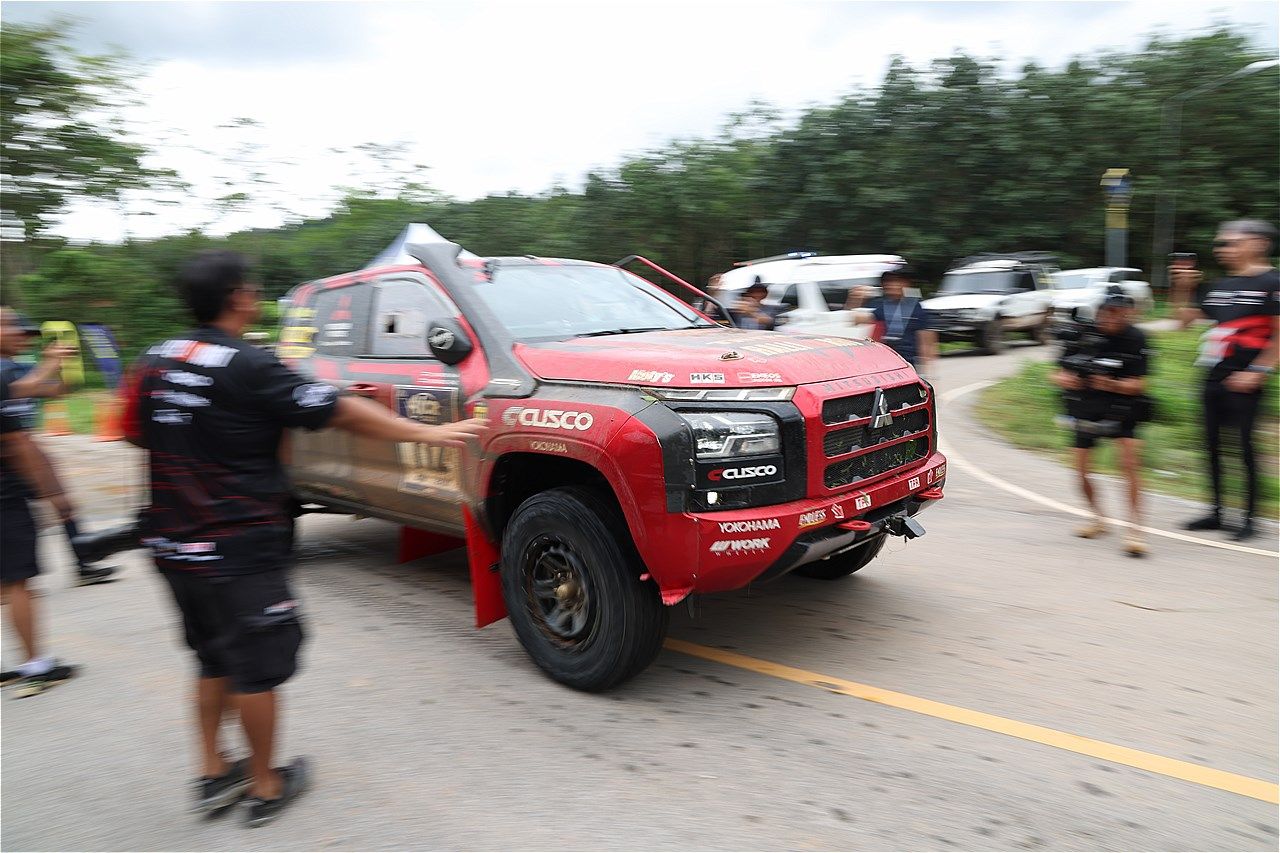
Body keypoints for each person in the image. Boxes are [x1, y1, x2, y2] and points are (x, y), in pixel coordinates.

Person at [122, 251, 489, 826]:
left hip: (172, 543)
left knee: (211, 658)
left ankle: (213, 771)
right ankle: (266, 785)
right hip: (237, 546)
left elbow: (133, 435)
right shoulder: (250, 365)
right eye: (250, 287)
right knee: (255, 669)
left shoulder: (153, 362)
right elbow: (339, 410)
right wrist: (431, 433)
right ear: (238, 297)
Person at [1171, 219, 1279, 541]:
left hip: (1247, 379)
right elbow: (1183, 322)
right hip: (1212, 376)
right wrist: (1183, 287)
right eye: (1220, 244)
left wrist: (1258, 372)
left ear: (1258, 243)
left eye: (1230, 242)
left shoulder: (1273, 282)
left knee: (1245, 448)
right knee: (1212, 445)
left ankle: (1249, 519)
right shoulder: (1221, 285)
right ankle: (1216, 512)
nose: (1221, 249)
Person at [0, 307, 117, 585]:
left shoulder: (20, 367)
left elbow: (57, 390)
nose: (24, 338)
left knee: (63, 505)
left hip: (23, 451)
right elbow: (16, 390)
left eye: (29, 334)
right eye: (17, 331)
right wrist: (47, 366)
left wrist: (68, 367)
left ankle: (84, 562)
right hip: (7, 455)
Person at [0, 320, 80, 698]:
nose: (20, 334)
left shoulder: (12, 370)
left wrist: (54, 366)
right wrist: (51, 491)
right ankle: (35, 666)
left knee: (5, 583)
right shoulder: (3, 373)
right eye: (10, 326)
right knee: (19, 582)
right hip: (4, 493)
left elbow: (52, 390)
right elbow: (16, 442)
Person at [1051, 289, 1152, 557]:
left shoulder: (1136, 338)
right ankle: (1098, 518)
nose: (1111, 317)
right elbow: (1058, 373)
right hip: (1085, 406)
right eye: (1106, 311)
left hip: (1122, 409)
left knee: (1129, 466)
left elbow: (1140, 384)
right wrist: (1066, 379)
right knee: (1081, 472)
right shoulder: (1081, 333)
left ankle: (1135, 530)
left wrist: (1111, 384)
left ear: (1129, 312)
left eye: (1118, 312)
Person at [847, 265, 938, 376]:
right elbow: (856, 320)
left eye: (896, 282)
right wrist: (856, 299)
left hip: (908, 364)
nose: (890, 285)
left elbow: (926, 342)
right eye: (888, 282)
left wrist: (928, 373)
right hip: (888, 362)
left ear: (906, 284)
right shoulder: (884, 306)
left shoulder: (916, 308)